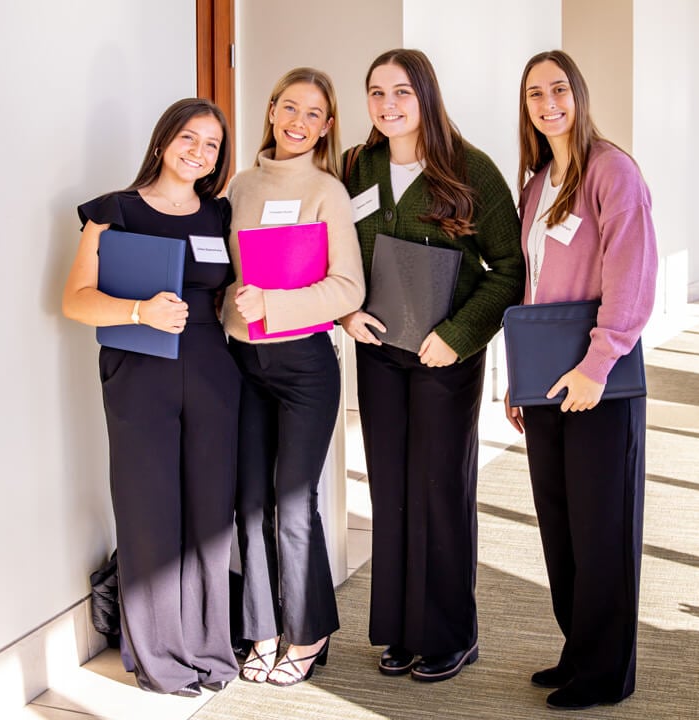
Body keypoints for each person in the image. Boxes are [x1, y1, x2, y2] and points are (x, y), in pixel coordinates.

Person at [339, 48, 524, 683]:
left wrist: (460, 334)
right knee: (390, 489)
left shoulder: (472, 171)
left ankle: (450, 633)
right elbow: (333, 258)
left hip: (445, 354)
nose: (388, 106)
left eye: (401, 93)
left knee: (440, 490)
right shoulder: (356, 168)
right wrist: (344, 313)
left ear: (426, 97)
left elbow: (509, 271)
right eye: (376, 93)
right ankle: (399, 628)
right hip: (380, 353)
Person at [62, 98, 239, 697]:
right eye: (188, 137)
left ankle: (211, 649)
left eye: (212, 145)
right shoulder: (115, 211)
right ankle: (159, 657)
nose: (198, 151)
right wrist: (139, 310)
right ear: (164, 140)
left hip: (215, 370)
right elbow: (75, 299)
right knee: (149, 510)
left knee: (211, 514)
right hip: (139, 372)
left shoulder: (221, 214)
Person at [504, 50, 657, 710]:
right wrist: (520, 382)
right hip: (547, 385)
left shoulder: (611, 170)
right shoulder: (537, 183)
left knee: (603, 531)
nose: (548, 103)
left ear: (579, 94)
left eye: (558, 88)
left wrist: (599, 364)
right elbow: (534, 287)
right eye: (535, 93)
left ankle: (605, 672)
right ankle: (578, 651)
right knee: (561, 526)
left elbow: (633, 277)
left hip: (598, 381)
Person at [222, 67, 365, 687]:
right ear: (272, 111)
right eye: (290, 108)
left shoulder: (328, 191)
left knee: (291, 502)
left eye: (314, 114)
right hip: (243, 363)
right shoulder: (239, 186)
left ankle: (308, 631)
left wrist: (273, 307)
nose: (299, 122)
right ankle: (259, 628)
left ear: (327, 126)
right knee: (249, 502)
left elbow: (348, 286)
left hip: (306, 365)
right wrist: (234, 305)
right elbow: (223, 272)